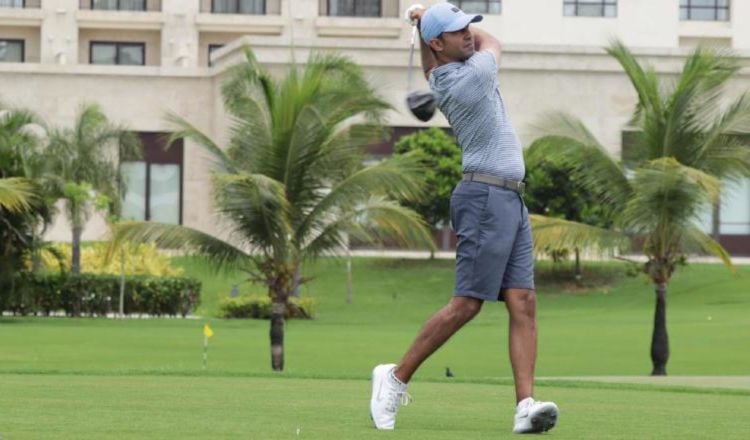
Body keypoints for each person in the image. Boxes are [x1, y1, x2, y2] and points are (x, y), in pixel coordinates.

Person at [369, 2, 559, 434]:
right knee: (467, 304)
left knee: (523, 302)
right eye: (458, 32)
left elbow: (433, 65)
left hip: (510, 199)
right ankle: (394, 378)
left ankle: (525, 406)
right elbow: (495, 42)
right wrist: (429, 27)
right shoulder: (470, 77)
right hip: (485, 197)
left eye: (469, 26)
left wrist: (422, 26)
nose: (470, 34)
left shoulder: (442, 71)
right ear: (440, 43)